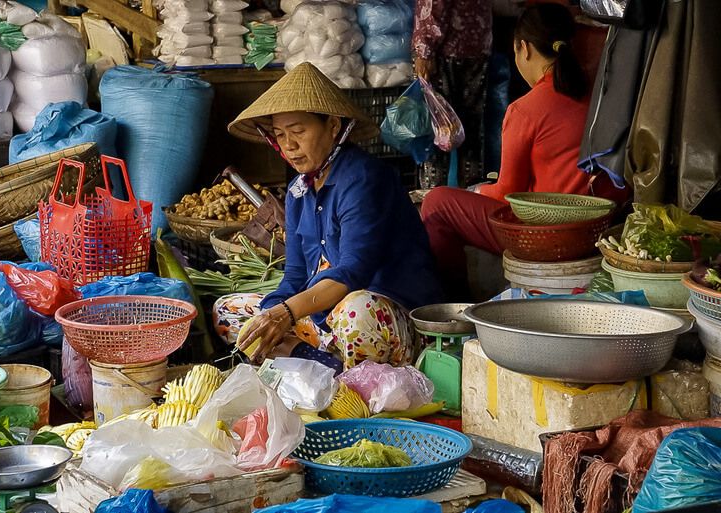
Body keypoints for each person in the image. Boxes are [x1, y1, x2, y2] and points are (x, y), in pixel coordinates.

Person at [213, 62, 443, 373]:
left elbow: (354, 271)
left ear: (333, 126)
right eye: (280, 135)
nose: (289, 145)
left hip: (387, 319)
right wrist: (271, 313)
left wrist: (286, 314)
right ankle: (322, 362)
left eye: (298, 131)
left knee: (355, 311)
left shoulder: (364, 178)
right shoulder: (298, 190)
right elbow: (295, 275)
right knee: (230, 311)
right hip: (324, 322)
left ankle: (336, 373)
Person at [420, 3, 625, 299]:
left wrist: (477, 192)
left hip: (548, 233)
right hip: (597, 226)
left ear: (524, 48)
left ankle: (454, 304)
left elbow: (507, 193)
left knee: (438, 202)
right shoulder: (602, 99)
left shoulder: (526, 110)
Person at [412, 0, 493, 186]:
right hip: (478, 44)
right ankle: (471, 197)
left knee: (438, 131)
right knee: (472, 130)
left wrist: (424, 50)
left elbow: (433, 6)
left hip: (446, 50)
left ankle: (432, 200)